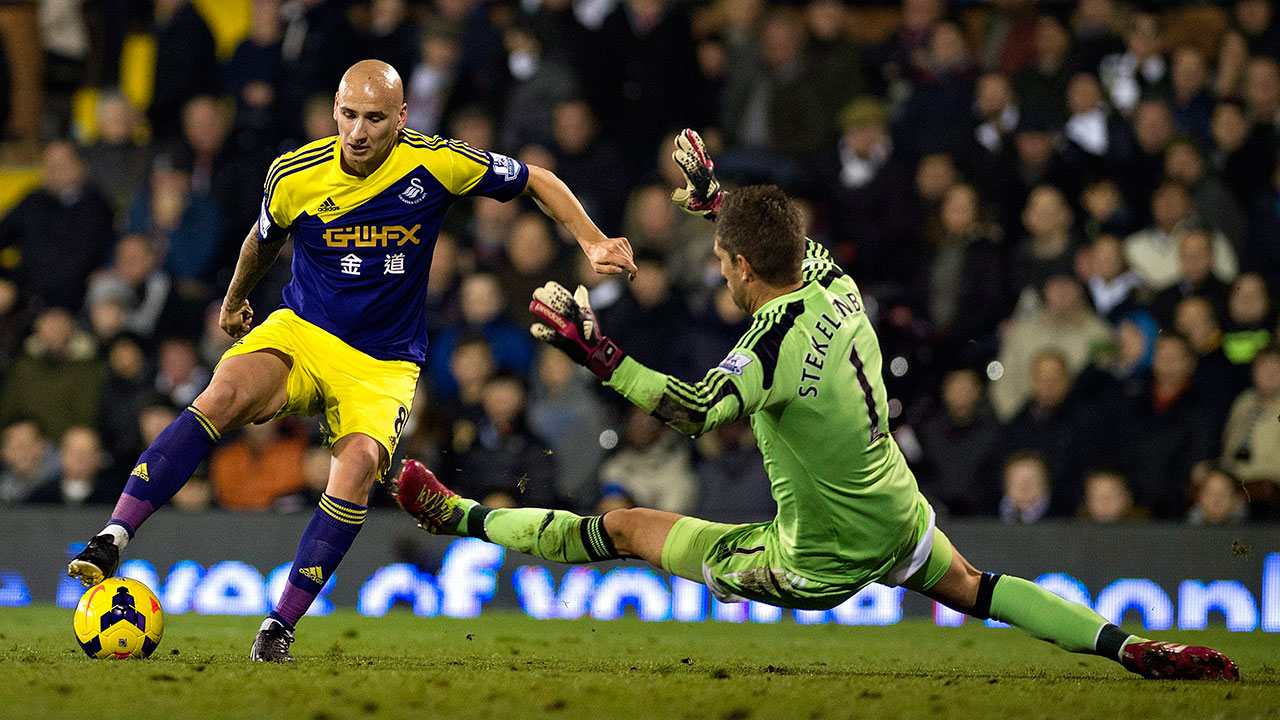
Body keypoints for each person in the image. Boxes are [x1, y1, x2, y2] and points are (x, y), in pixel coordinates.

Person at [394, 131, 1237, 681]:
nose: (719, 268)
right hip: (896, 514)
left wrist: (596, 353)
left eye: (721, 258)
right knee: (977, 587)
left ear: (741, 267)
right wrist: (714, 196)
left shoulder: (766, 349)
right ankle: (1133, 648)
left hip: (818, 561)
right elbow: (772, 232)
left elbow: (693, 409)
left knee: (624, 529)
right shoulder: (834, 279)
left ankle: (456, 515)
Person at [65, 59, 636, 662]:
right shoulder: (295, 172)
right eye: (349, 115)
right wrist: (233, 302)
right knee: (222, 393)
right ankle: (113, 536)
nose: (358, 132)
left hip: (383, 363)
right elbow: (262, 241)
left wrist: (592, 239)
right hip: (304, 332)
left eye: (374, 119)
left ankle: (278, 628)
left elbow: (536, 179)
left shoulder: (437, 162)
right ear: (335, 111)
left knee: (358, 465)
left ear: (402, 117)